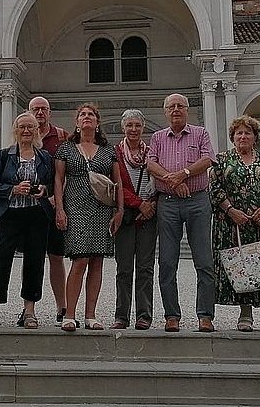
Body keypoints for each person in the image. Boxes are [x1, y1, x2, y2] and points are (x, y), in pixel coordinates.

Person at [0, 112, 55, 329]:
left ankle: (29, 310)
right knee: (0, 259)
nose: (26, 131)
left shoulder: (44, 157)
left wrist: (44, 189)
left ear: (36, 130)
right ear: (15, 130)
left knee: (35, 261)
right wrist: (13, 189)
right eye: (22, 127)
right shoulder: (4, 155)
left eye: (30, 127)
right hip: (10, 214)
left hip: (37, 214)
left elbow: (53, 184)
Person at [210, 115, 260, 333]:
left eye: (247, 133)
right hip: (234, 224)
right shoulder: (222, 160)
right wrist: (231, 210)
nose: (243, 136)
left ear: (255, 137)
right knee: (242, 266)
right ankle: (245, 313)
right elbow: (215, 189)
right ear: (232, 137)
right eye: (239, 133)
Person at [146, 93, 217, 333]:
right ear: (165, 112)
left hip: (198, 201)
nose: (175, 109)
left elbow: (208, 159)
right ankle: (171, 315)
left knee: (204, 260)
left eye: (180, 106)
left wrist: (184, 173)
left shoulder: (201, 133)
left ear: (186, 110)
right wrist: (173, 180)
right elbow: (151, 164)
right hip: (168, 202)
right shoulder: (156, 137)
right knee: (167, 261)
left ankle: (205, 315)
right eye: (171, 106)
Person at [54, 103, 123, 331]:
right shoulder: (66, 148)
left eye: (91, 115)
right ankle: (69, 313)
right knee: (80, 259)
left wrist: (119, 210)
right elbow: (58, 180)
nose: (86, 117)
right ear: (76, 122)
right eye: (82, 114)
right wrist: (60, 209)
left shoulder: (108, 150)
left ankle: (90, 315)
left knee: (97, 261)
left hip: (102, 208)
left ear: (97, 122)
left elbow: (117, 181)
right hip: (75, 207)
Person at [112, 109, 158, 330]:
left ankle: (144, 315)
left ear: (143, 127)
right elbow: (116, 184)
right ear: (123, 128)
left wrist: (151, 204)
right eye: (129, 125)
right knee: (124, 268)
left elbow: (161, 177)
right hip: (127, 215)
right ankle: (121, 315)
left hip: (149, 216)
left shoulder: (152, 152)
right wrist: (139, 203)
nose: (133, 129)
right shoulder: (115, 153)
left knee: (145, 267)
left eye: (137, 125)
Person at [29, 96, 69, 323]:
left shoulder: (61, 137)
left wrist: (58, 197)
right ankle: (29, 307)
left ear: (50, 113)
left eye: (43, 109)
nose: (40, 113)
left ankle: (61, 306)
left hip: (54, 205)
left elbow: (67, 170)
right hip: (30, 206)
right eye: (36, 109)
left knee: (56, 256)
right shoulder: (24, 135)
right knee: (33, 258)